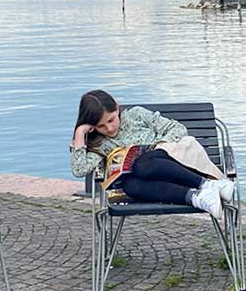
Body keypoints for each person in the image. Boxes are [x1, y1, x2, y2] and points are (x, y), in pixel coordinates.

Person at [69, 90, 233, 221]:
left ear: (117, 108)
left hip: (178, 166)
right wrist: (80, 132)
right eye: (101, 126)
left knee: (143, 163)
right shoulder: (101, 143)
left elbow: (178, 129)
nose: (109, 128)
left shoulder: (136, 115)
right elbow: (79, 169)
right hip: (156, 183)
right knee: (129, 185)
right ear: (93, 127)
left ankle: (206, 184)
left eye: (111, 120)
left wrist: (157, 147)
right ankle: (198, 197)